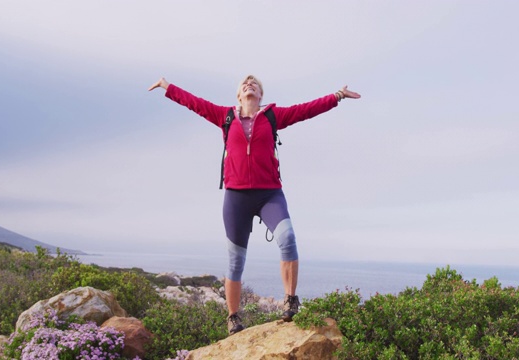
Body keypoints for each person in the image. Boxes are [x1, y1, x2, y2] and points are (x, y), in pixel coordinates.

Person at [148, 75, 360, 335]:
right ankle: (233, 317)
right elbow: (194, 103)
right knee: (235, 261)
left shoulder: (273, 116)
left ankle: (290, 300)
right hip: (236, 196)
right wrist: (167, 86)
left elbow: (306, 110)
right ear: (239, 95)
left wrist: (337, 96)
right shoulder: (224, 116)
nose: (249, 85)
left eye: (254, 84)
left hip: (270, 193)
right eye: (245, 84)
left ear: (260, 95)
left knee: (288, 239)